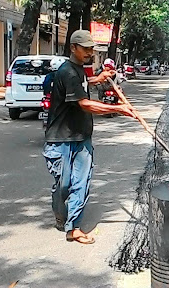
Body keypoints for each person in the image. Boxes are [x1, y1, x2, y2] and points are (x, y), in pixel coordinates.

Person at [43, 30, 136, 244]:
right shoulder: (67, 71)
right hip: (61, 138)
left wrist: (98, 79)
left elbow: (82, 85)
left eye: (91, 49)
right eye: (85, 48)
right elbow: (84, 103)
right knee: (64, 185)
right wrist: (118, 109)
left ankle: (73, 227)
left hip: (82, 136)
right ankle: (60, 212)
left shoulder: (79, 70)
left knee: (81, 183)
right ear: (73, 48)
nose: (89, 53)